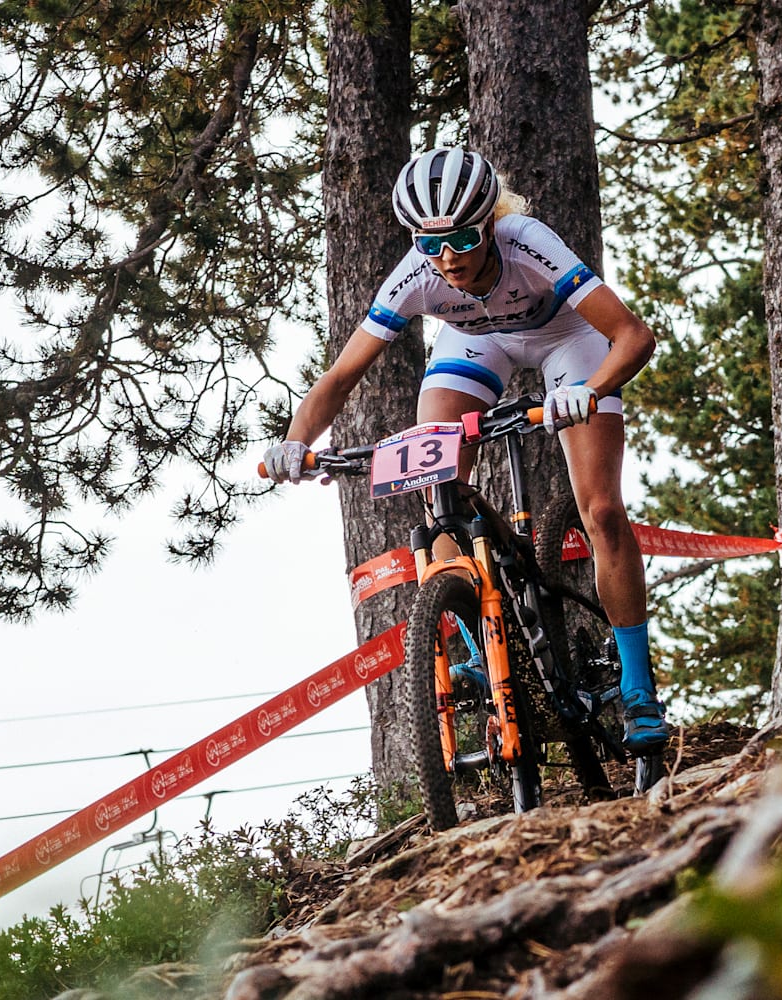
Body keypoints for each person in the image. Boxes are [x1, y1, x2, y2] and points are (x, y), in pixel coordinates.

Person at [262, 146, 669, 755]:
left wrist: (592, 389)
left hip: (567, 340)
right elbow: (342, 375)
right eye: (430, 244)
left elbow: (633, 335)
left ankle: (638, 689)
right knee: (439, 492)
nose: (446, 257)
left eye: (460, 238)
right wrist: (295, 443)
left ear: (488, 223)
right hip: (478, 343)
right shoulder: (416, 273)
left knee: (603, 511)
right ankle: (482, 647)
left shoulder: (525, 239)